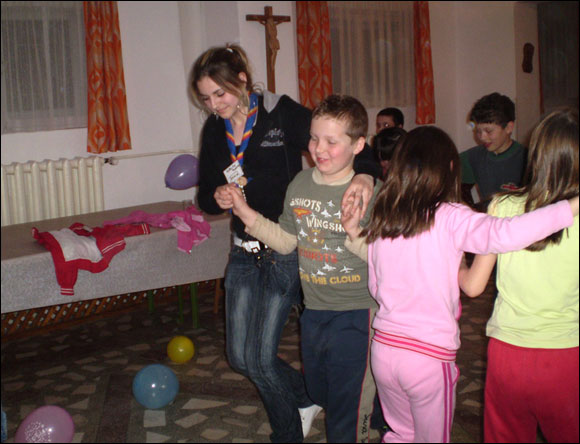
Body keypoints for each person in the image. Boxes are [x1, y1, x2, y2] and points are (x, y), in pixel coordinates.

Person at [190, 45, 380, 443]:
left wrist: (365, 176)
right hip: (245, 248)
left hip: (285, 249)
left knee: (259, 359)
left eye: (220, 93)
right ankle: (305, 397)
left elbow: (342, 140)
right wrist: (218, 197)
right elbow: (205, 194)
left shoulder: (280, 114)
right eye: (206, 98)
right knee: (240, 358)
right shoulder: (214, 131)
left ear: (242, 80)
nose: (214, 105)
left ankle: (288, 433)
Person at [340, 125, 579, 443]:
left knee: (401, 434)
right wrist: (571, 206)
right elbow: (507, 233)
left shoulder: (386, 218)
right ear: (451, 168)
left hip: (384, 350)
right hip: (427, 357)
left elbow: (376, 286)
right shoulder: (452, 216)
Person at [458, 107, 579, 443]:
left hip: (507, 355)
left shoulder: (502, 205)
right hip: (566, 355)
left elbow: (473, 286)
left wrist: (456, 262)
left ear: (535, 155)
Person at [461, 92, 527, 210]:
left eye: (489, 131)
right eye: (478, 131)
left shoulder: (528, 158)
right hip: (488, 219)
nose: (482, 137)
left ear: (508, 128)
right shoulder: (473, 157)